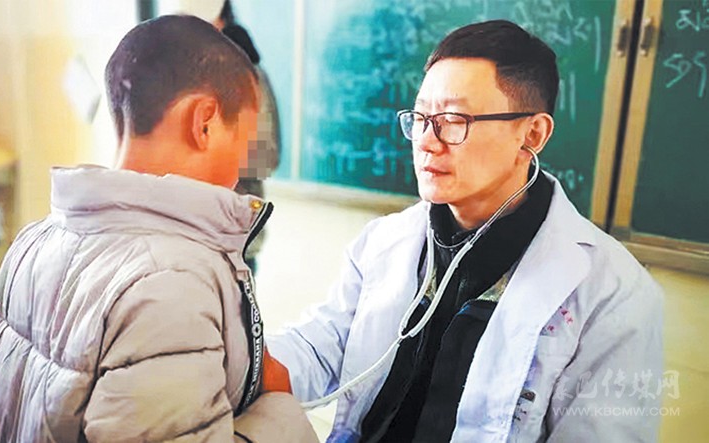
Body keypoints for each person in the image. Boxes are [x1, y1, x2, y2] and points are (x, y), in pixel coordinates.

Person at [266, 20, 664, 442]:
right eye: (421, 117)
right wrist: (238, 357)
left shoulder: (613, 293)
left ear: (532, 134)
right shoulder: (384, 241)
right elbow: (319, 348)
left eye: (454, 120)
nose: (426, 141)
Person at [0, 15, 317, 443]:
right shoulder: (173, 285)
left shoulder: (30, 243)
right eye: (243, 144)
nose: (240, 173)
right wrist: (279, 410)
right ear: (204, 122)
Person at [157, 0, 282, 273]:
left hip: (232, 237)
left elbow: (266, 157)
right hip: (187, 237)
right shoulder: (183, 72)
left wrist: (205, 153)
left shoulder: (248, 74)